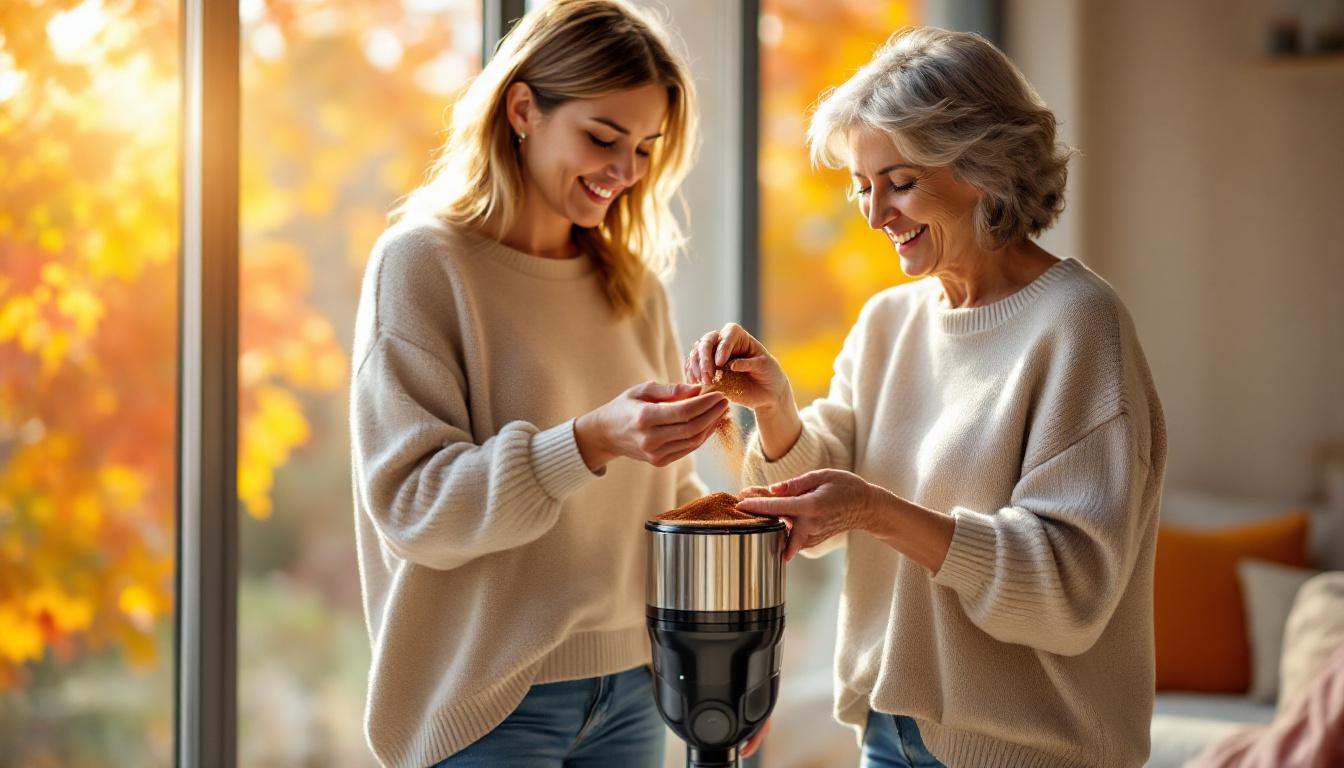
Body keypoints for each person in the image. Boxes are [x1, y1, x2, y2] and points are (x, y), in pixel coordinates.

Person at [687, 27, 1167, 768]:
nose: (876, 216)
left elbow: (1067, 593)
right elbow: (822, 503)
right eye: (863, 187)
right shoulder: (891, 321)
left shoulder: (1078, 325)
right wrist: (775, 406)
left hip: (1030, 753)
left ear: (986, 167)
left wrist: (877, 510)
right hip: (890, 736)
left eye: (901, 182)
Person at [350, 2, 722, 766]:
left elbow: (664, 498)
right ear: (523, 108)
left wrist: (714, 667)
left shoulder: (633, 287)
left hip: (634, 690)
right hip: (487, 701)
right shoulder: (424, 264)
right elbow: (414, 506)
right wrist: (586, 442)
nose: (626, 171)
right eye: (602, 137)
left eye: (647, 147)